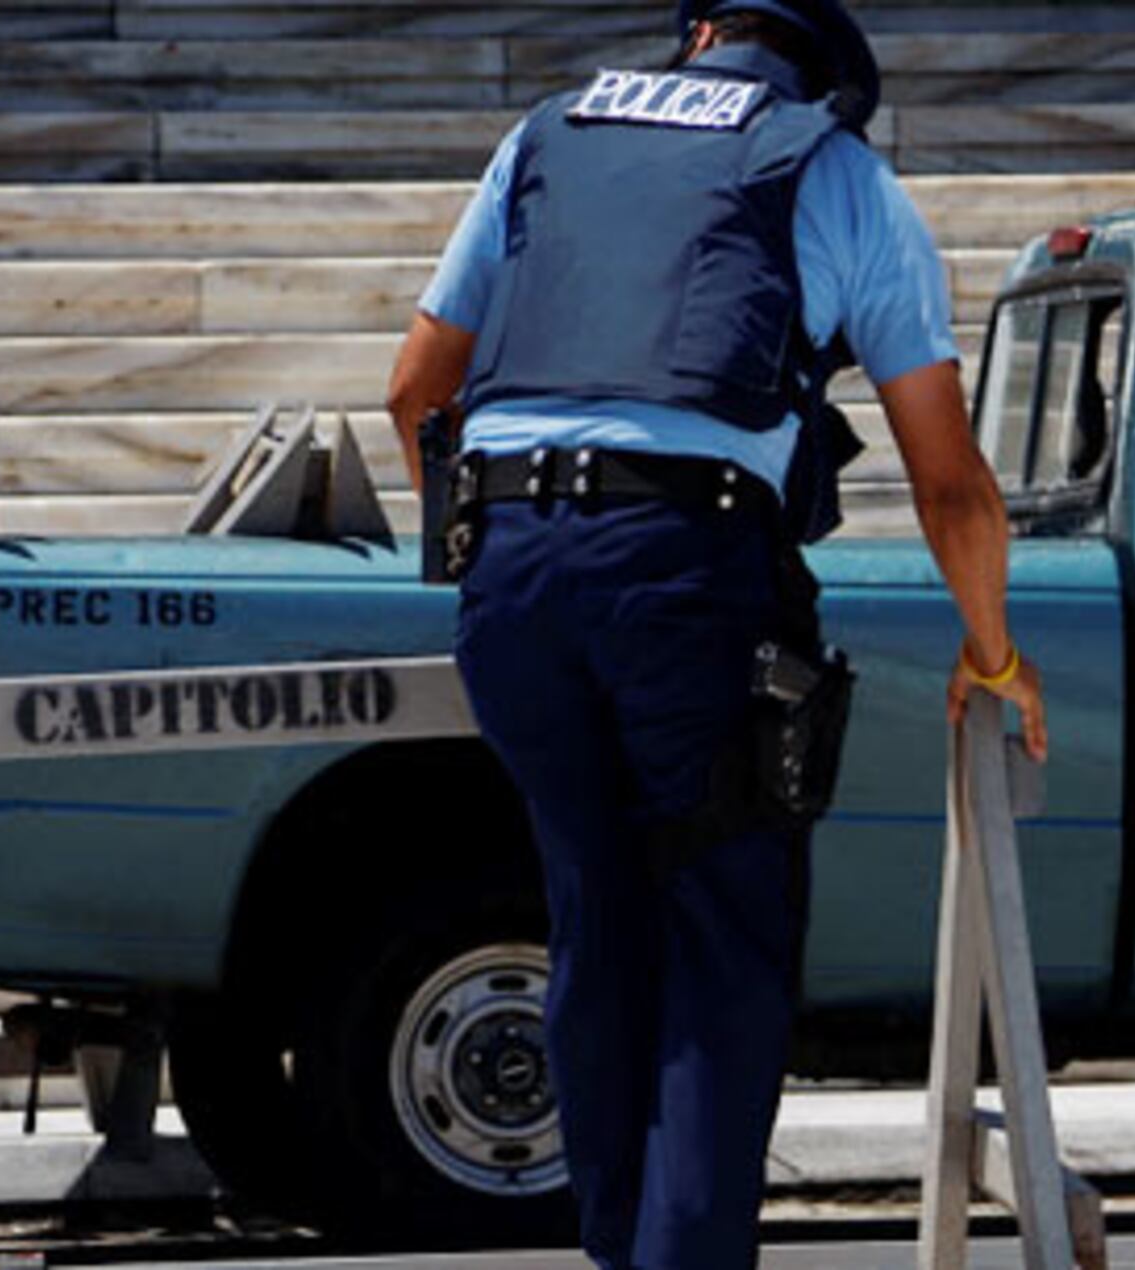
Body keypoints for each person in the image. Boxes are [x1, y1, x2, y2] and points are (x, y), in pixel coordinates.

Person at [384, 2, 1047, 1264]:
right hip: (686, 573)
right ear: (821, 79)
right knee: (719, 932)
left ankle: (615, 1244)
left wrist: (489, 557)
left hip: (512, 574)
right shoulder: (835, 171)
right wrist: (993, 654)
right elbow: (949, 477)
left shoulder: (548, 132)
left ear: (694, 36)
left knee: (593, 915)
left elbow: (415, 389)